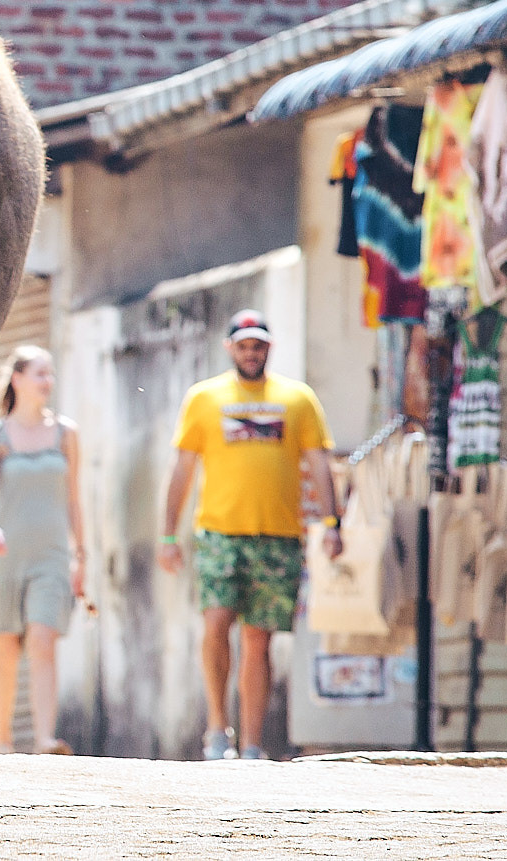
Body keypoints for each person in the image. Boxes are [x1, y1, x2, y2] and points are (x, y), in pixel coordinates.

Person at [157, 311, 342, 761]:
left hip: (278, 536)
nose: (251, 353)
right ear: (230, 349)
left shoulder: (298, 400)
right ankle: (218, 728)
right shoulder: (204, 398)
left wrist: (333, 523)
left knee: (258, 640)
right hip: (219, 534)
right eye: (243, 346)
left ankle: (252, 744)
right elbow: (183, 468)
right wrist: (167, 535)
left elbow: (319, 463)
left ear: (269, 349)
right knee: (216, 621)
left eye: (258, 345)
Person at [0, 345, 85, 754]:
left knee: (44, 638)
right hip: (5, 553)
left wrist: (83, 555)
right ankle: (3, 741)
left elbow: (75, 499)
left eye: (51, 374)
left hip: (51, 556)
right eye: (40, 373)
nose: (48, 381)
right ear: (18, 378)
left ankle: (45, 738)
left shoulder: (66, 433)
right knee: (6, 645)